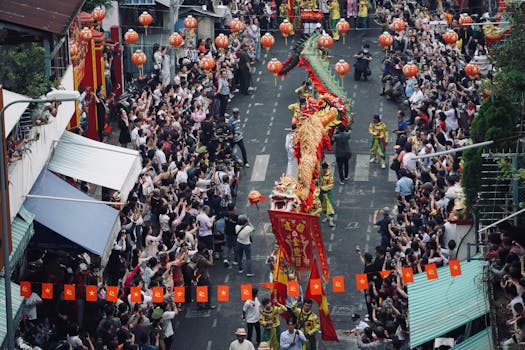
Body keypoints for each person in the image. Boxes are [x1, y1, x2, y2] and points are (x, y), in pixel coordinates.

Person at [192, 242, 216, 310]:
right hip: (203, 275)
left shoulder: (195, 255)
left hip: (197, 275)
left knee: (200, 289)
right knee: (209, 289)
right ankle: (207, 304)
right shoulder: (202, 259)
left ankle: (199, 304)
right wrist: (211, 255)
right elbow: (210, 264)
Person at [318, 162, 335, 227]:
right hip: (321, 193)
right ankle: (327, 217)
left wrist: (323, 188)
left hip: (327, 193)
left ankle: (331, 220)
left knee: (329, 207)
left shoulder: (329, 176)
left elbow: (331, 185)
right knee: (324, 206)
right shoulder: (320, 174)